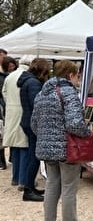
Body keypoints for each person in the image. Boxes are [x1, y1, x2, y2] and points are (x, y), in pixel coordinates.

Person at [31, 60, 90, 221]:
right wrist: (87, 132)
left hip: (47, 150)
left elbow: (34, 124)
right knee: (69, 190)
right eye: (77, 75)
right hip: (67, 150)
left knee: (51, 188)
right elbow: (74, 124)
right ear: (70, 75)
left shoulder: (42, 93)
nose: (78, 78)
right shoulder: (69, 93)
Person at [17, 58, 50, 202]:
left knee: (33, 155)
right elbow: (38, 105)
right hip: (32, 123)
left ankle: (29, 187)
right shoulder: (34, 83)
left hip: (27, 121)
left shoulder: (27, 81)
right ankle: (28, 190)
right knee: (34, 157)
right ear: (42, 70)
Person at [2, 55, 34, 184]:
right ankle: (23, 180)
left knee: (15, 147)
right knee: (25, 146)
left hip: (11, 113)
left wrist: (10, 104)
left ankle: (15, 178)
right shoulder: (28, 77)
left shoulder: (9, 76)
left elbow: (4, 92)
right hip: (23, 112)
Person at [0, 56, 18, 169]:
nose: (11, 67)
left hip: (9, 108)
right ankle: (2, 161)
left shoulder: (16, 75)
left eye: (13, 65)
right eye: (9, 66)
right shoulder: (2, 77)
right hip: (3, 109)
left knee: (12, 133)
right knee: (1, 135)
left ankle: (12, 157)